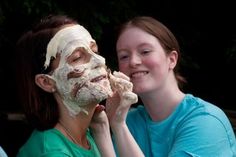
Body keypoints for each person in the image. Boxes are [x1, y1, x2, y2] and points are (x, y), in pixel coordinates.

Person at [15, 14, 143, 157]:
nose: (99, 60)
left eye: (95, 51)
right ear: (47, 82)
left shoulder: (86, 134)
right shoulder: (52, 153)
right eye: (77, 57)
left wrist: (106, 127)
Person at [108, 16, 236, 156]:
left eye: (145, 51)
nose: (133, 62)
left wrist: (119, 127)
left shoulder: (206, 121)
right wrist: (102, 126)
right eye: (124, 56)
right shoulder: (128, 120)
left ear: (172, 59)